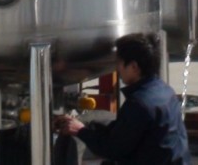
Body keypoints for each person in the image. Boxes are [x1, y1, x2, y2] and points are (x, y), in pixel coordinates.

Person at [53, 33, 190, 164]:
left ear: (134, 67)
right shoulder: (165, 90)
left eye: (119, 63)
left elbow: (113, 149)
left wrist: (80, 130)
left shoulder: (140, 104)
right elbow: (124, 134)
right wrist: (87, 126)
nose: (117, 69)